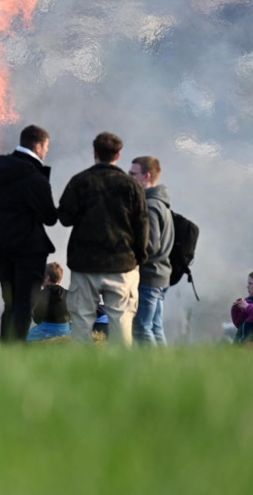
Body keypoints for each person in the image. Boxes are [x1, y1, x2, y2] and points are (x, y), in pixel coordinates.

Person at [58, 132, 147, 346]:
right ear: (118, 155)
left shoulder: (80, 181)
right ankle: (120, 365)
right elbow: (142, 225)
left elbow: (65, 218)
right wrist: (140, 258)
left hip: (84, 264)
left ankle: (81, 364)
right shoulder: (131, 186)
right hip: (122, 264)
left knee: (81, 320)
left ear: (95, 153)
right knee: (121, 320)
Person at [0, 124, 57, 342]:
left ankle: (5, 350)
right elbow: (50, 217)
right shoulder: (34, 177)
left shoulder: (1, 172)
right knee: (25, 305)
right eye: (46, 147)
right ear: (38, 146)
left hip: (2, 245)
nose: (46, 151)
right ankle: (16, 351)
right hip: (29, 249)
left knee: (9, 303)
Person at [128, 156, 174, 346]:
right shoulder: (161, 203)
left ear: (146, 176)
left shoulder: (150, 206)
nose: (129, 177)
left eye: (133, 174)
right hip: (160, 275)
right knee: (155, 327)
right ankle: (164, 363)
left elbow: (150, 245)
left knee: (141, 329)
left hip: (149, 276)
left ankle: (151, 364)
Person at [27, 262, 70, 342]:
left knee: (26, 338)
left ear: (47, 278)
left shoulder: (40, 294)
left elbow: (36, 319)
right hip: (65, 329)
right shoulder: (68, 293)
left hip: (45, 329)